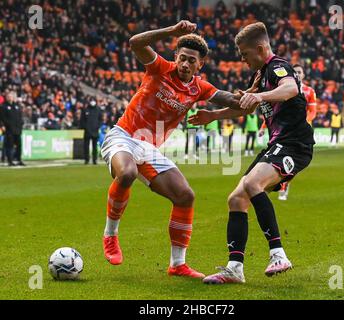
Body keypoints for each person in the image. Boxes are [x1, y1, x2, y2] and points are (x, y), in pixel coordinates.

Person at [100, 20, 241, 278]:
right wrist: (171, 32)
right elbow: (135, 43)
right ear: (176, 57)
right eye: (182, 58)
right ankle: (110, 235)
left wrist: (220, 112)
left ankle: (177, 264)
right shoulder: (159, 68)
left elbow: (237, 103)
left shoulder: (200, 88)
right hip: (124, 136)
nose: (185, 64)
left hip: (149, 148)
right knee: (127, 173)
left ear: (201, 65)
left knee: (185, 195)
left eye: (191, 61)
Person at [189, 22, 315, 284]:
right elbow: (245, 108)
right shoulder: (260, 75)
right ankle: (235, 268)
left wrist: (261, 97)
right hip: (276, 144)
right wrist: (214, 114)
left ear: (260, 48)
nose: (242, 59)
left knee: (251, 182)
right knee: (236, 198)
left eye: (245, 54)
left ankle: (278, 254)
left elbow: (291, 89)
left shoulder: (278, 67)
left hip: (295, 144)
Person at [278, 63, 317, 201]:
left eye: (300, 72)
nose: (298, 74)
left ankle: (285, 183)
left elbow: (313, 111)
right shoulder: (284, 90)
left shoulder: (309, 91)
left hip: (302, 132)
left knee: (296, 161)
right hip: (284, 130)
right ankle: (280, 184)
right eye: (295, 72)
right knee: (278, 158)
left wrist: (304, 122)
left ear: (303, 74)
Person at [0, 92, 25, 166]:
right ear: (6, 97)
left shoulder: (17, 106)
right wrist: (2, 125)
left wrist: (21, 123)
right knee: (9, 145)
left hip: (17, 129)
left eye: (12, 96)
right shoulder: (3, 106)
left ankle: (19, 159)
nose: (11, 97)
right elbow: (1, 117)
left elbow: (20, 117)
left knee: (19, 145)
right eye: (9, 96)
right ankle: (10, 161)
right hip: (9, 129)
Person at [80, 98, 102, 165]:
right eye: (91, 101)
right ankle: (86, 160)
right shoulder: (85, 110)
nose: (92, 102)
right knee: (86, 146)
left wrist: (97, 127)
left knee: (94, 147)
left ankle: (94, 160)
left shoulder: (98, 110)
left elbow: (100, 120)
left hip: (95, 131)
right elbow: (82, 120)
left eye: (93, 101)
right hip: (87, 131)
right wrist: (86, 128)